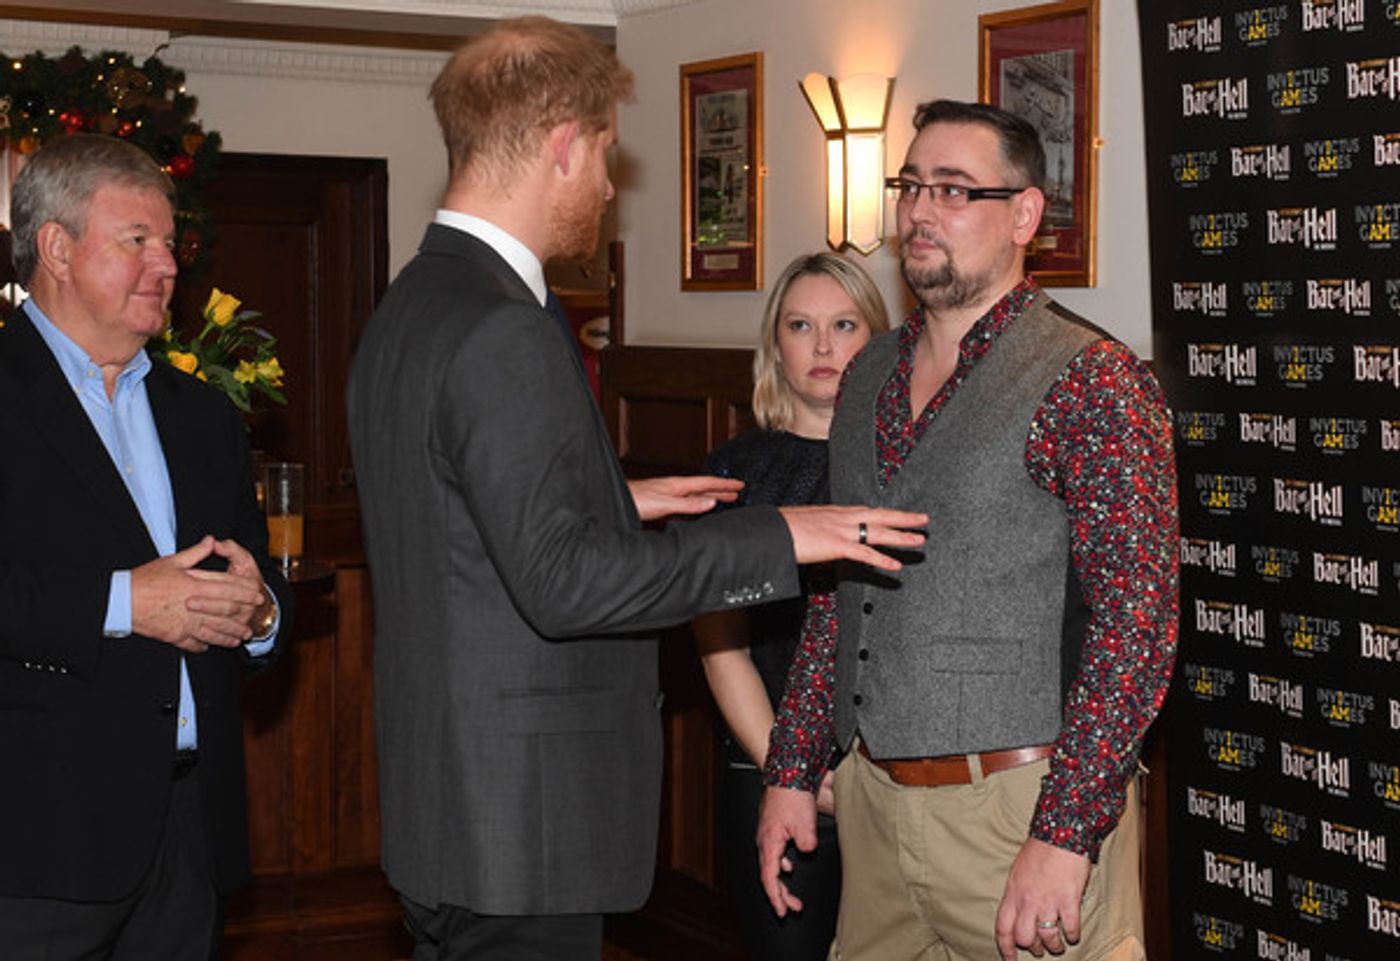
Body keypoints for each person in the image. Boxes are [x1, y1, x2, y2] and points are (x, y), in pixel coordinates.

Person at [344, 18, 926, 961]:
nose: (611, 189)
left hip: (450, 806)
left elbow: (469, 523)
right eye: (607, 158)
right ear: (563, 147)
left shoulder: (413, 304)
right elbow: (567, 582)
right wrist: (780, 533)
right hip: (517, 825)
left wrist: (623, 501)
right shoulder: (505, 325)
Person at [757, 99, 1178, 961]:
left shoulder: (1091, 380)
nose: (918, 210)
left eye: (953, 190)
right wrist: (793, 767)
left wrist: (1064, 833)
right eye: (911, 185)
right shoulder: (868, 370)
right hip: (872, 804)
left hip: (1017, 808)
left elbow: (1136, 622)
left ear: (1024, 215)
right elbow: (841, 588)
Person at [0, 134, 292, 959]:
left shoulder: (200, 414)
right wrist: (126, 602)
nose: (166, 265)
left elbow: (259, 576)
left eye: (170, 244)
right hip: (37, 844)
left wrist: (262, 609)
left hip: (189, 836)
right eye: (138, 241)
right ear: (56, 247)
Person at [695, 252, 889, 959]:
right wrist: (792, 768)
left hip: (894, 783)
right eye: (801, 325)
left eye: (844, 323)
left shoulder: (909, 467)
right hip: (765, 765)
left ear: (880, 336)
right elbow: (720, 647)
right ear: (774, 344)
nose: (824, 346)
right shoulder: (735, 473)